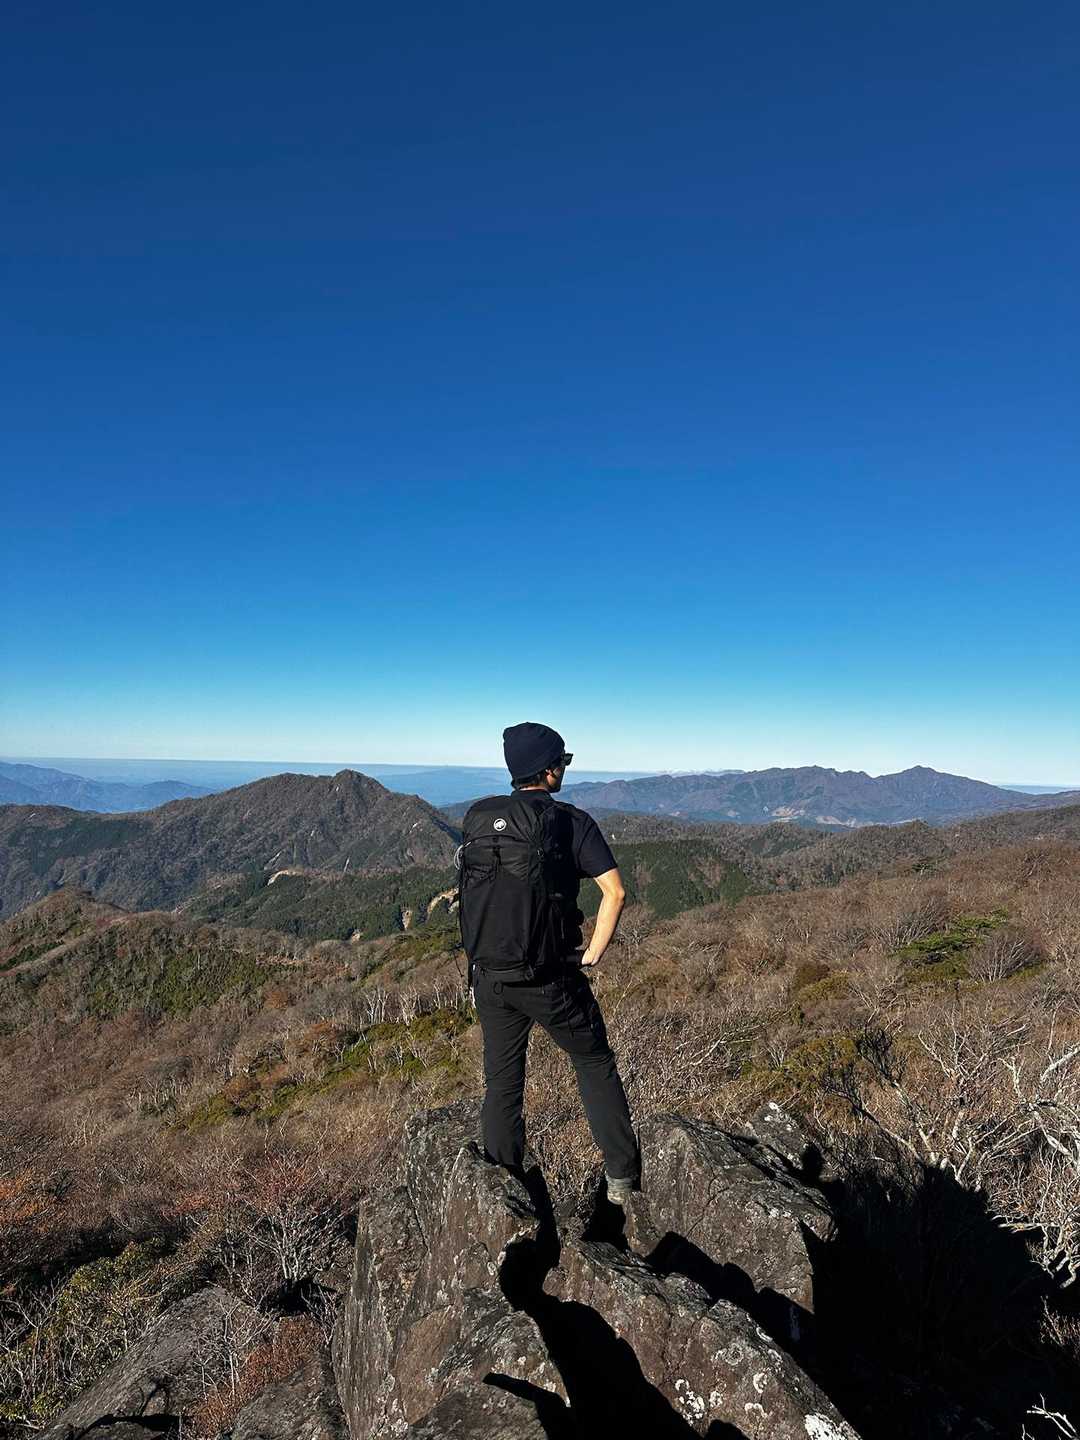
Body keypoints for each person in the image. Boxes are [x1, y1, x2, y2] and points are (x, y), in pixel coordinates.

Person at [462, 721, 641, 1204]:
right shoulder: (569, 821)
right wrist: (593, 952)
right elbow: (615, 893)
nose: (564, 768)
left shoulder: (481, 816)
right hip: (549, 976)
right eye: (563, 761)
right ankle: (623, 1181)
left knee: (502, 1084)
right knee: (593, 1059)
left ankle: (504, 1195)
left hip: (489, 977)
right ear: (548, 770)